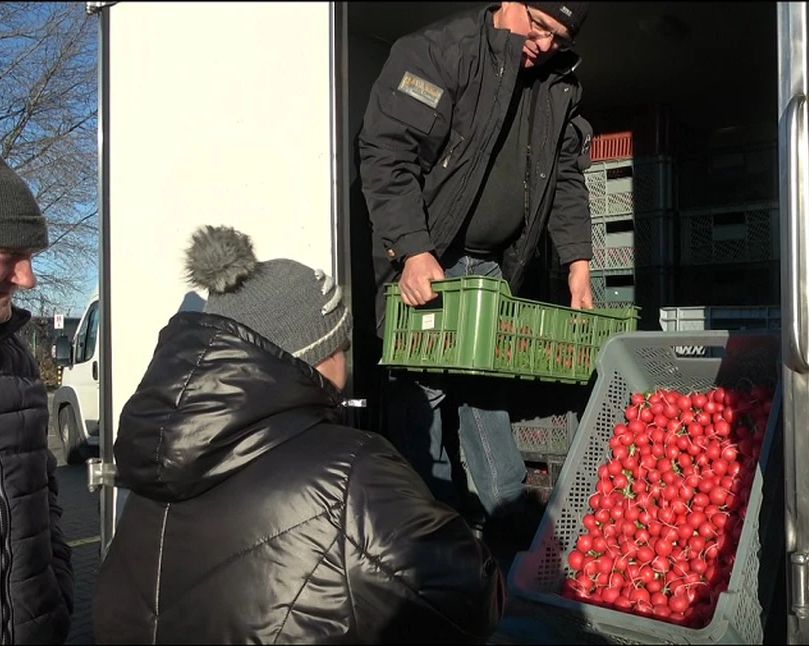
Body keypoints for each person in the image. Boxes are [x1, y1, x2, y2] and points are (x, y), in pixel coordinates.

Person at [92, 225, 504, 644]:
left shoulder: (149, 464)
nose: (346, 359)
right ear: (318, 353)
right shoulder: (350, 471)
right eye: (341, 345)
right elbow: (469, 598)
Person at [358, 2, 594, 538]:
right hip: (427, 259)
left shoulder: (556, 84)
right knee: (421, 399)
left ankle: (509, 533)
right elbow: (384, 154)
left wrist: (578, 264)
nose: (544, 44)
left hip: (491, 268)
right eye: (538, 25)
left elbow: (565, 179)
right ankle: (426, 539)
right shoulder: (438, 54)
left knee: (486, 394)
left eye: (558, 36)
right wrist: (413, 249)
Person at [0, 154, 74, 644]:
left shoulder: (17, 358)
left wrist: (57, 591)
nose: (28, 279)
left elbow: (42, 491)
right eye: (10, 256)